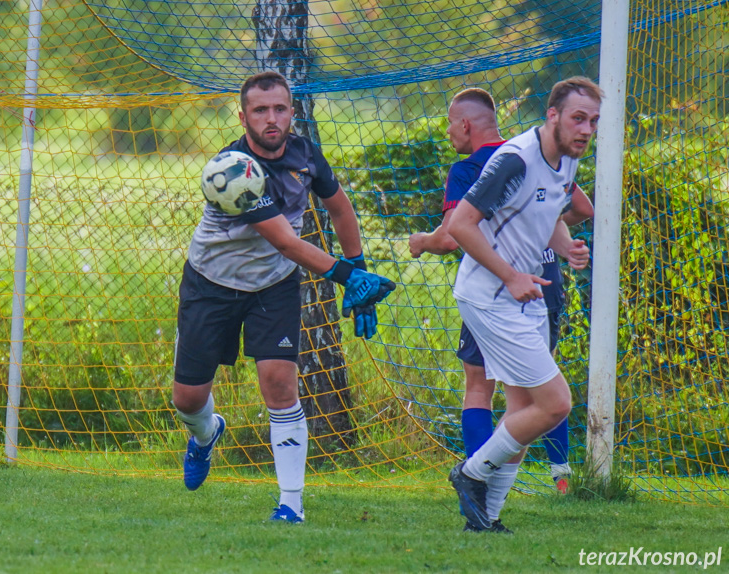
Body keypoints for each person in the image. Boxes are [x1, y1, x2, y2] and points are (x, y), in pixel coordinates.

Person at [172, 71, 395, 524]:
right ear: (243, 116)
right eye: (260, 110)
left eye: (279, 109)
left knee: (279, 386)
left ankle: (291, 505)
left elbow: (339, 207)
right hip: (210, 284)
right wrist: (346, 276)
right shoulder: (230, 169)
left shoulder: (306, 154)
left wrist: (361, 265)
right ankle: (206, 435)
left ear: (292, 112)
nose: (271, 119)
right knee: (188, 400)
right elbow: (286, 242)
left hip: (273, 286)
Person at [408, 87, 595, 529]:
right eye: (578, 119)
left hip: (524, 291)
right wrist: (510, 275)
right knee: (555, 404)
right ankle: (470, 472)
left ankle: (484, 519)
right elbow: (460, 226)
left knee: (521, 412)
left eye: (593, 121)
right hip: (489, 296)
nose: (586, 130)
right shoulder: (514, 158)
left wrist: (567, 248)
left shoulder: (567, 159)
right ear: (553, 115)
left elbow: (548, 214)